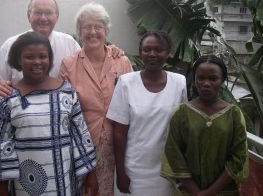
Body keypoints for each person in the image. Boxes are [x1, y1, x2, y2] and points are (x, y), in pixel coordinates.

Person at [0, 31, 97, 196]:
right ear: (18, 60)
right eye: (29, 57)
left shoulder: (66, 92)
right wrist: (2, 191)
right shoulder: (7, 98)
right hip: (26, 186)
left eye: (43, 56)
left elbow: (81, 135)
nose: (37, 62)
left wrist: (91, 176)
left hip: (65, 183)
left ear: (50, 60)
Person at [0, 0, 124, 100]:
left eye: (48, 13)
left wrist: (110, 51)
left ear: (56, 17)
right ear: (29, 16)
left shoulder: (69, 43)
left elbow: (90, 59)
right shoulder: (10, 45)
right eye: (37, 13)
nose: (43, 18)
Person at [59, 2, 133, 196]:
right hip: (82, 143)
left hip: (117, 140)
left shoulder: (121, 60)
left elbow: (133, 99)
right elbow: (63, 108)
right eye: (87, 27)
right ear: (79, 32)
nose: (93, 32)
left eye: (98, 27)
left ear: (106, 30)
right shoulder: (69, 64)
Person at [106, 31, 188, 196]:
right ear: (140, 52)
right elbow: (119, 133)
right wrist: (121, 173)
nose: (152, 54)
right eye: (147, 49)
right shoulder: (126, 83)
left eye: (158, 50)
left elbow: (182, 129)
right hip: (133, 170)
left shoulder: (179, 82)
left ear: (167, 53)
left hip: (165, 170)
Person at [161, 55, 249, 196]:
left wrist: (210, 192)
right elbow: (174, 154)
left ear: (222, 81)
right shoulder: (181, 113)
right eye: (201, 78)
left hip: (224, 191)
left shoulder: (234, 114)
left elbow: (238, 156)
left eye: (213, 78)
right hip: (188, 192)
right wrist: (196, 192)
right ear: (195, 80)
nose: (206, 83)